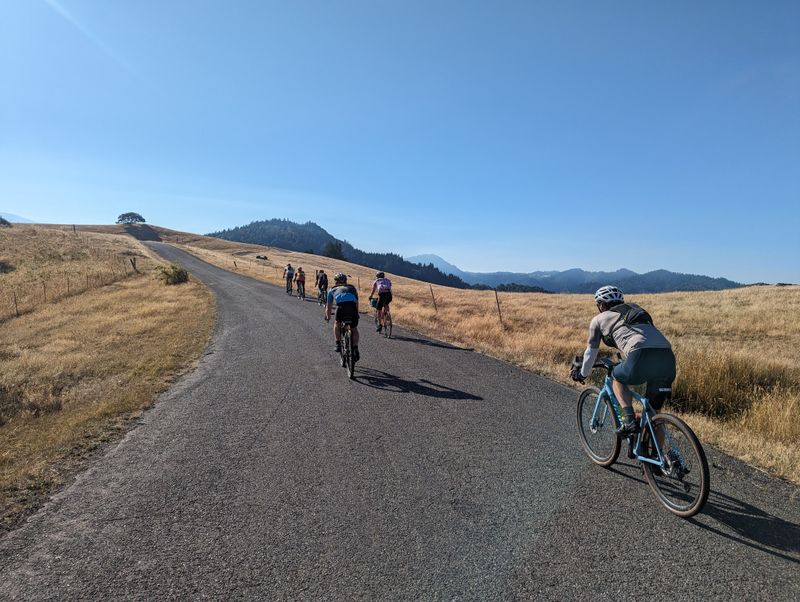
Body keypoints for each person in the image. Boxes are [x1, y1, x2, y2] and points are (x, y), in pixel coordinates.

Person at [571, 285, 675, 435]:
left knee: (616, 377)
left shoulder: (598, 319)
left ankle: (629, 420)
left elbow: (591, 351)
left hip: (640, 355)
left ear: (601, 305)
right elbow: (646, 337)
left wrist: (582, 374)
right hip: (667, 357)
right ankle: (662, 457)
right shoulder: (637, 309)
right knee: (655, 416)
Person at [325, 273, 360, 361]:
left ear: (336, 282)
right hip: (352, 308)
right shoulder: (352, 288)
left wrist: (328, 316)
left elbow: (328, 306)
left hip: (341, 308)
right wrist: (357, 313)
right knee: (354, 329)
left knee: (337, 323)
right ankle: (355, 347)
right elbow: (356, 302)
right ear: (346, 281)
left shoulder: (332, 289)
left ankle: (338, 344)